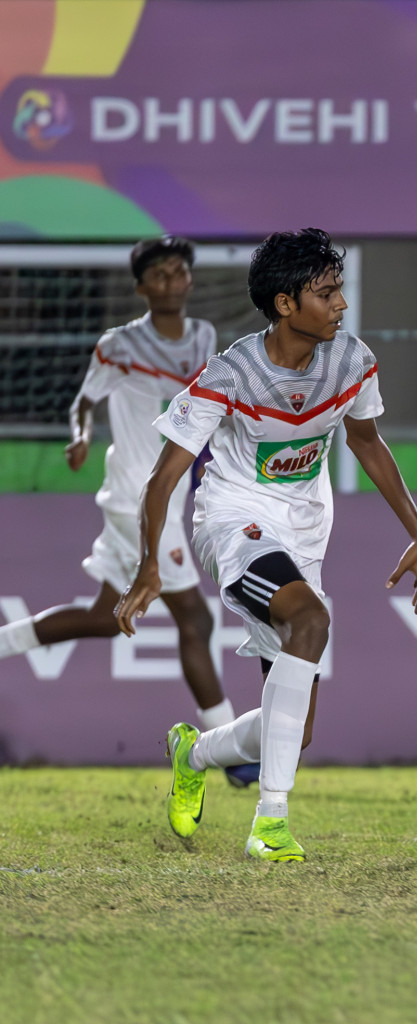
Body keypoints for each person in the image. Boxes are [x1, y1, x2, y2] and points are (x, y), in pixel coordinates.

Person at [116, 228, 417, 863]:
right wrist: (149, 563)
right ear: (285, 303)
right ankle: (271, 822)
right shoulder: (231, 372)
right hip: (232, 519)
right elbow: (163, 476)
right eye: (327, 292)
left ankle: (192, 752)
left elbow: (367, 443)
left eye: (339, 289)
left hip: (306, 528)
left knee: (295, 731)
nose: (341, 304)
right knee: (311, 619)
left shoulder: (352, 362)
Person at [0, 237, 256, 784]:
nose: (170, 281)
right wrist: (80, 436)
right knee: (195, 616)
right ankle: (229, 754)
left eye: (178, 271)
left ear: (190, 280)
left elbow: (202, 406)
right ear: (141, 287)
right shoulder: (118, 344)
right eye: (158, 274)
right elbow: (84, 401)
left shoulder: (205, 337)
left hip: (169, 490)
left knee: (104, 617)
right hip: (137, 500)